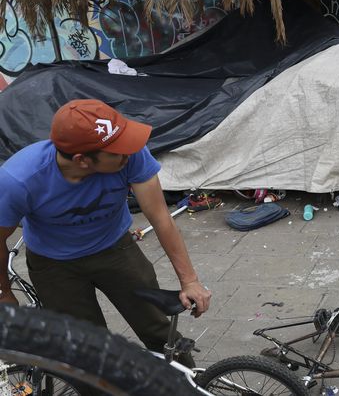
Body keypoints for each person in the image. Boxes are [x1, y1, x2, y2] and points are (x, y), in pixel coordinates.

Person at [0, 99, 212, 363]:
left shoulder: (129, 154)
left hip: (115, 249)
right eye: (117, 152)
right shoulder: (20, 179)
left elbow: (160, 217)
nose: (129, 152)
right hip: (54, 265)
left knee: (157, 329)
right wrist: (5, 293)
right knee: (87, 350)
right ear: (82, 160)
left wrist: (189, 281)